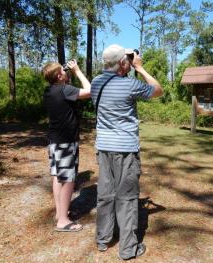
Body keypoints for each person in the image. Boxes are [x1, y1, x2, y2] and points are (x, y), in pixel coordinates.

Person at [91, 44, 163, 260]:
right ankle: (129, 248)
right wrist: (140, 68)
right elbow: (158, 90)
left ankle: (103, 239)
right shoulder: (130, 84)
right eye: (127, 60)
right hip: (125, 150)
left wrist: (127, 63)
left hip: (104, 147)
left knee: (105, 194)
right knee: (127, 198)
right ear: (123, 63)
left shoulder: (96, 82)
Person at [42, 60, 91, 232]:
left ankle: (59, 212)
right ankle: (63, 221)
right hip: (66, 142)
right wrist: (77, 71)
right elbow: (90, 90)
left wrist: (63, 73)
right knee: (68, 179)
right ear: (59, 75)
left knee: (57, 177)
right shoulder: (65, 90)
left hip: (54, 140)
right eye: (63, 71)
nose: (66, 72)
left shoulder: (49, 90)